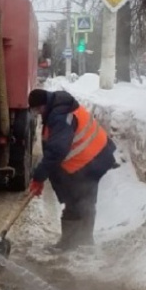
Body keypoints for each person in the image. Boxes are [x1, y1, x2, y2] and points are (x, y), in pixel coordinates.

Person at [26, 88, 118, 251]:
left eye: (38, 109)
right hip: (91, 158)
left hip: (91, 161)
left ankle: (74, 244)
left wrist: (39, 176)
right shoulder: (57, 109)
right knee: (82, 201)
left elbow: (57, 150)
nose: (38, 113)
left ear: (43, 105)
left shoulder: (60, 116)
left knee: (79, 201)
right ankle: (81, 243)